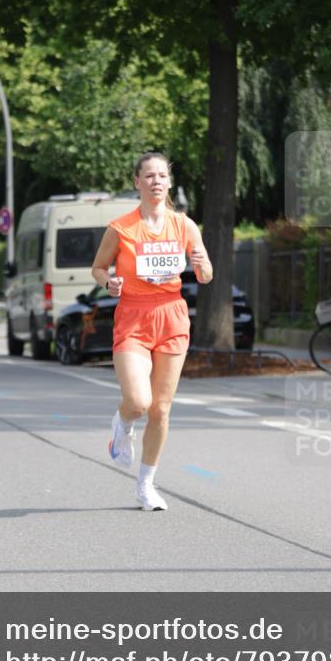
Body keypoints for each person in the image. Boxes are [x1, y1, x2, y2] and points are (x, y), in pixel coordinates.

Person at [91, 152, 213, 511]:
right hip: (133, 316)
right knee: (139, 402)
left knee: (160, 409)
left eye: (162, 175)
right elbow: (98, 268)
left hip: (172, 316)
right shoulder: (121, 228)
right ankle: (123, 422)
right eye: (149, 176)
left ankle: (146, 486)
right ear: (137, 183)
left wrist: (203, 265)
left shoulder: (185, 226)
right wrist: (109, 282)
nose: (156, 181)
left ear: (169, 183)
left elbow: (206, 275)